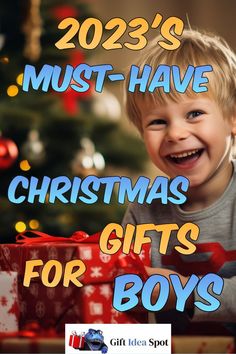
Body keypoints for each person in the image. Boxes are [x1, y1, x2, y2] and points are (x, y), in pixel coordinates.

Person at [122, 29, 236, 335]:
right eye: (157, 122)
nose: (175, 134)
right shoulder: (143, 211)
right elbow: (124, 307)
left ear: (232, 119)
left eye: (195, 113)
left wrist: (181, 292)